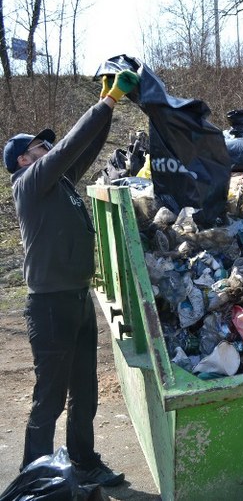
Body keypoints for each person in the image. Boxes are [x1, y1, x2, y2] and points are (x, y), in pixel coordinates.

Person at [2, 69, 140, 487]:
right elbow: (68, 146)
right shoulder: (30, 183)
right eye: (38, 145)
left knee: (86, 391)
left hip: (78, 299)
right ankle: (38, 480)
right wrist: (109, 101)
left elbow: (85, 148)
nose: (47, 146)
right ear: (24, 159)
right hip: (49, 306)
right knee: (49, 399)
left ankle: (82, 462)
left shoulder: (56, 182)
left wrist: (106, 107)